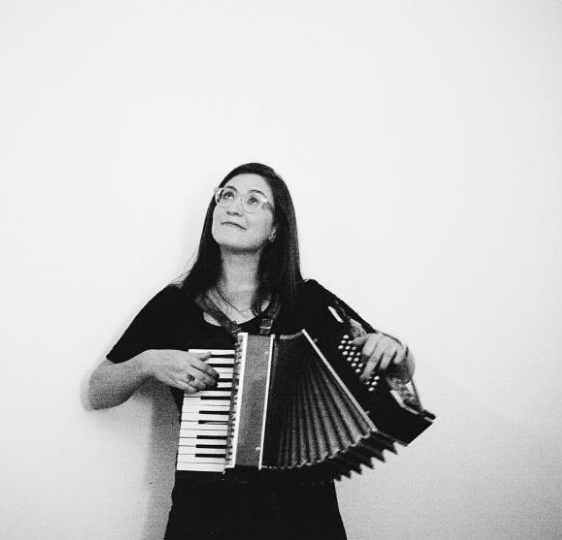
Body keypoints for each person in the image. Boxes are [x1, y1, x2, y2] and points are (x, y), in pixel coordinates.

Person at [88, 163, 415, 540]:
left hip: (303, 515)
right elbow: (98, 391)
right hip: (204, 513)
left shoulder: (307, 301)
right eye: (226, 195)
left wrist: (396, 348)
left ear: (276, 229)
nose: (233, 206)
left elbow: (398, 371)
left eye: (253, 200)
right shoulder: (173, 305)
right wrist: (148, 363)